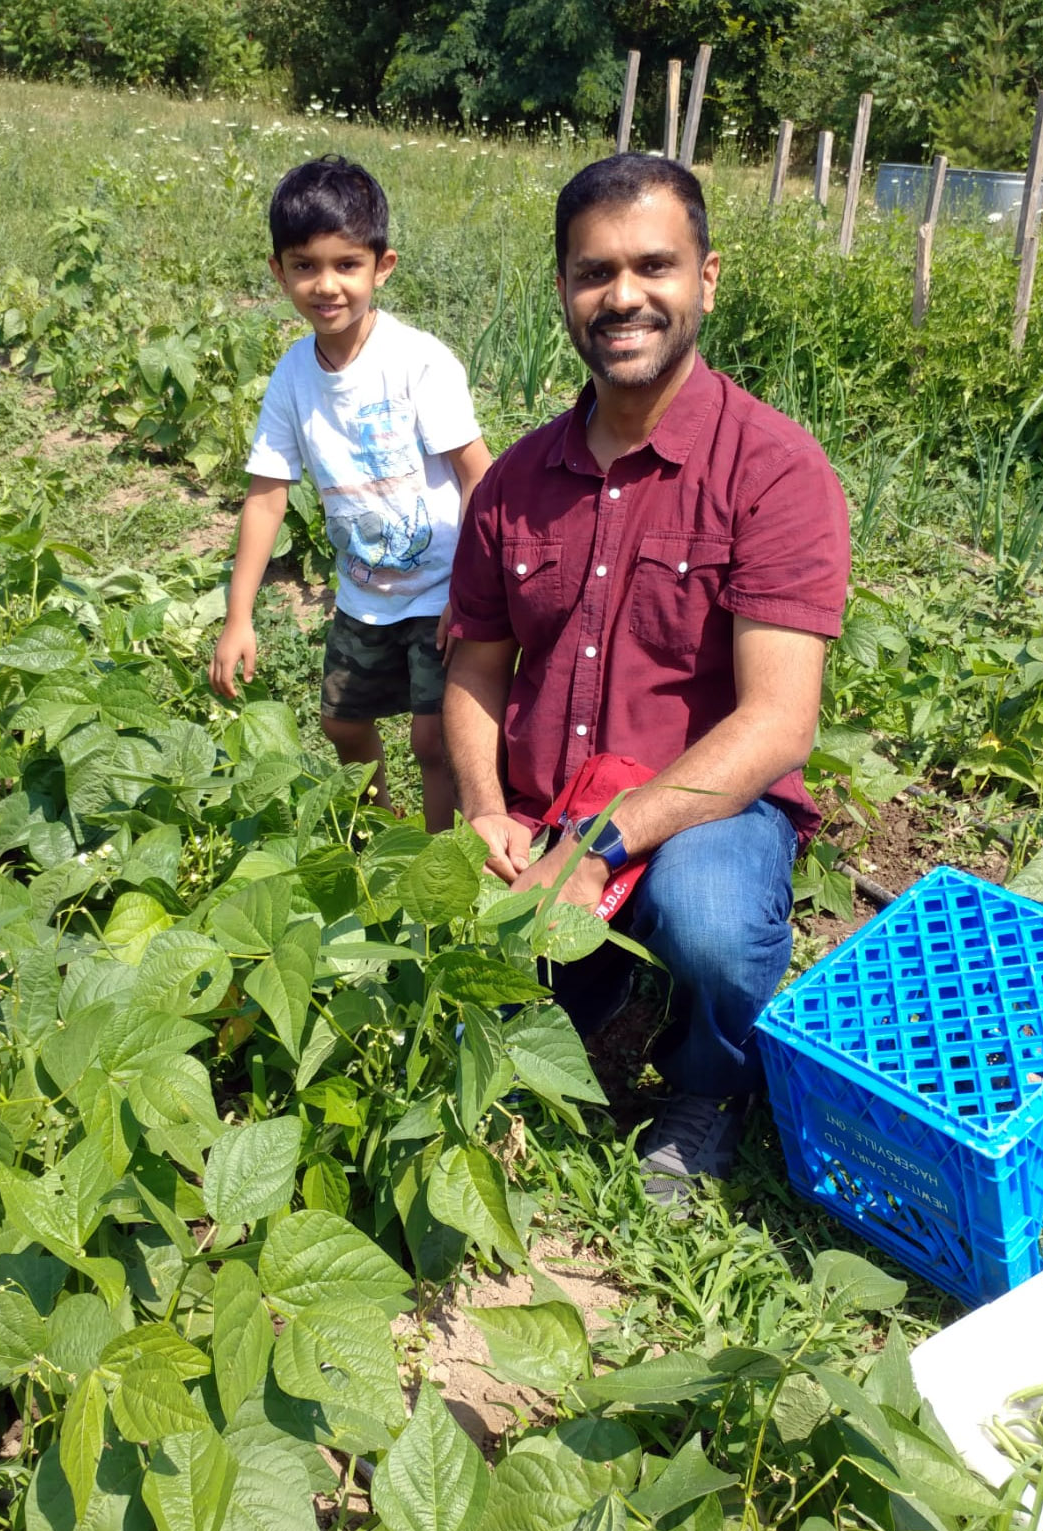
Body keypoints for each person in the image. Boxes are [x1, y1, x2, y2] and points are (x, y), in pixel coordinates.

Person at [444, 154, 850, 1203]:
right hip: (546, 807)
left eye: (654, 266)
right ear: (565, 293)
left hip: (703, 811)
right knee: (468, 1018)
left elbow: (775, 724)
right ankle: (597, 976)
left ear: (707, 279)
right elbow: (477, 671)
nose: (623, 295)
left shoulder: (773, 469)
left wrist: (599, 845)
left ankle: (707, 1086)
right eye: (594, 273)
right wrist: (486, 814)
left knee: (709, 918)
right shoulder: (515, 486)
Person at [210, 155, 492, 831]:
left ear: (382, 267)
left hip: (443, 589)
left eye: (346, 265)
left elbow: (480, 474)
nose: (325, 285)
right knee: (341, 723)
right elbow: (267, 497)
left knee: (434, 741)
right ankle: (379, 834)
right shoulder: (292, 377)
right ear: (278, 272)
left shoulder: (418, 363)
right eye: (305, 266)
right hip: (365, 592)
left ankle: (435, 870)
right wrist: (238, 614)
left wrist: (473, 594)